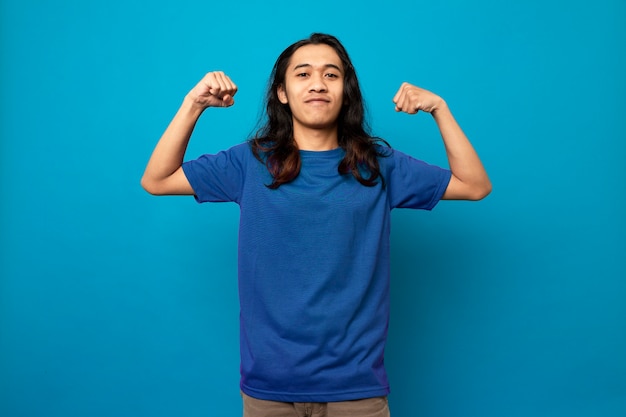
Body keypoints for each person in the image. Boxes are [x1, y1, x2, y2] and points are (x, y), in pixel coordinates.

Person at [141, 33, 491, 417]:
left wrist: (439, 108)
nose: (318, 84)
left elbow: (474, 186)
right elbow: (157, 179)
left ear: (346, 91)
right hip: (269, 388)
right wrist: (194, 105)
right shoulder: (250, 163)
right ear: (282, 93)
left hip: (356, 388)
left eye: (331, 74)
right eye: (303, 74)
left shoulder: (378, 164)